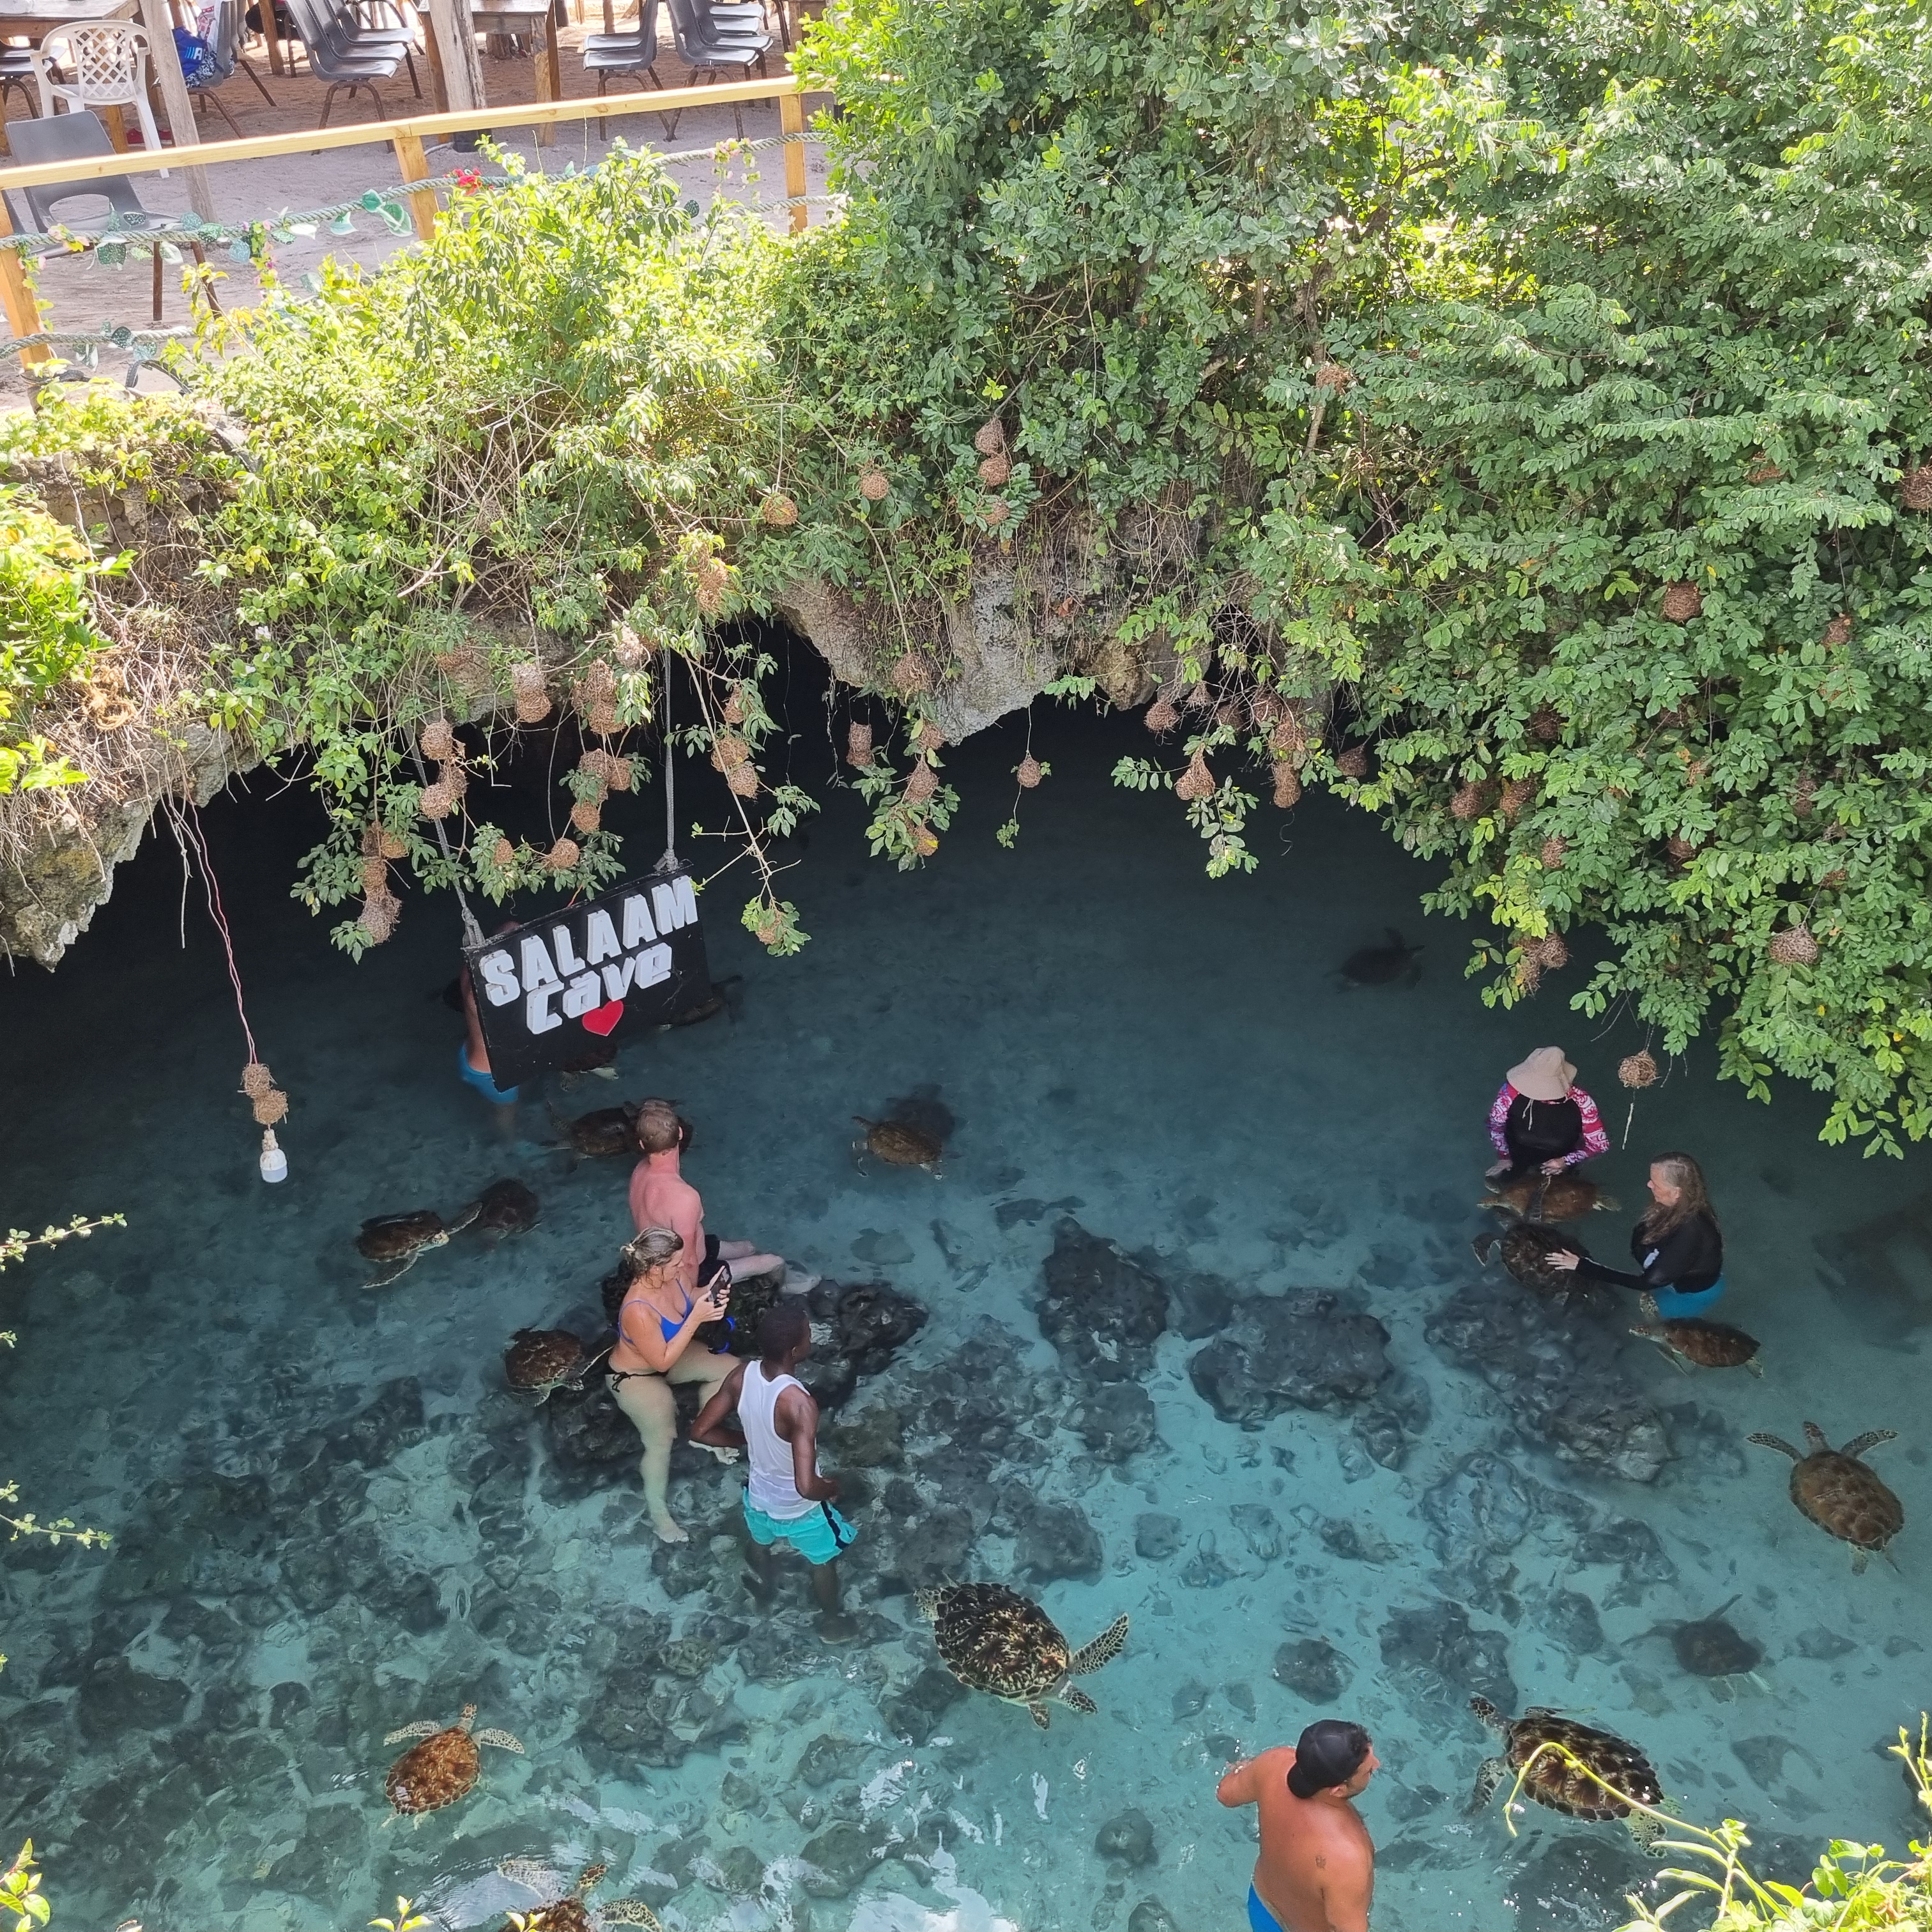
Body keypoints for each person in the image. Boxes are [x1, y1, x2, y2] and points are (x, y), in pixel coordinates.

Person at [691, 1300, 859, 1641]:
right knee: (822, 1560)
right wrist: (832, 1487)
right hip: (798, 1509)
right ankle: (831, 1622)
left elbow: (700, 1431)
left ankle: (766, 1589)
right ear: (798, 1349)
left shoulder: (741, 1375)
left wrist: (748, 1440)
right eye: (809, 1334)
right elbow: (805, 1486)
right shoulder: (799, 1404)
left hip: (758, 1496)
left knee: (759, 1541)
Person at [606, 1226, 739, 1544]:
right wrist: (696, 1320)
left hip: (671, 1352)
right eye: (676, 1262)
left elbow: (689, 1299)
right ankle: (659, 1515)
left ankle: (703, 1433)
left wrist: (709, 1297)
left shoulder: (674, 1276)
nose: (683, 1266)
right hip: (637, 1375)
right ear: (654, 1268)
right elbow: (660, 1362)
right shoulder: (638, 1309)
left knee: (732, 1370)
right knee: (661, 1440)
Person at [628, 1098, 799, 1297]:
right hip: (688, 1274)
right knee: (774, 1262)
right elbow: (689, 1261)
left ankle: (747, 1268)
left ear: (641, 1144)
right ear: (681, 1134)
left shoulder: (639, 1172)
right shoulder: (684, 1198)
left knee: (748, 1247)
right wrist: (691, 1296)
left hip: (669, 1253)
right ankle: (784, 1292)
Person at [1218, 1721, 1379, 1932]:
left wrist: (1249, 1770)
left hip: (1261, 1906)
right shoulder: (1347, 1857)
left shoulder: (1274, 1763)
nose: (1377, 1764)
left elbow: (1225, 1795)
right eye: (1368, 1771)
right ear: (1338, 1790)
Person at [1549, 1149, 1723, 1314]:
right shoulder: (1683, 1204)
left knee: (1659, 1317)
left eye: (1655, 1183)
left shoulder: (1688, 1235)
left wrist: (1583, 1266)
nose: (1649, 1184)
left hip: (1689, 1294)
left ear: (1676, 1192)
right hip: (1674, 1268)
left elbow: (1647, 1283)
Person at [1485, 1046, 1607, 1181]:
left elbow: (1598, 1145)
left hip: (1561, 1159)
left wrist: (1566, 1161)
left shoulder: (1582, 1101)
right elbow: (1496, 1125)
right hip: (1516, 1152)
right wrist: (1504, 1157)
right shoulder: (1509, 1092)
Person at [457, 932, 521, 1139]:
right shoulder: (489, 1000)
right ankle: (509, 1145)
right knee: (506, 1112)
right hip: (491, 1074)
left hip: (470, 1056)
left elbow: (510, 927)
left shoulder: (468, 973)